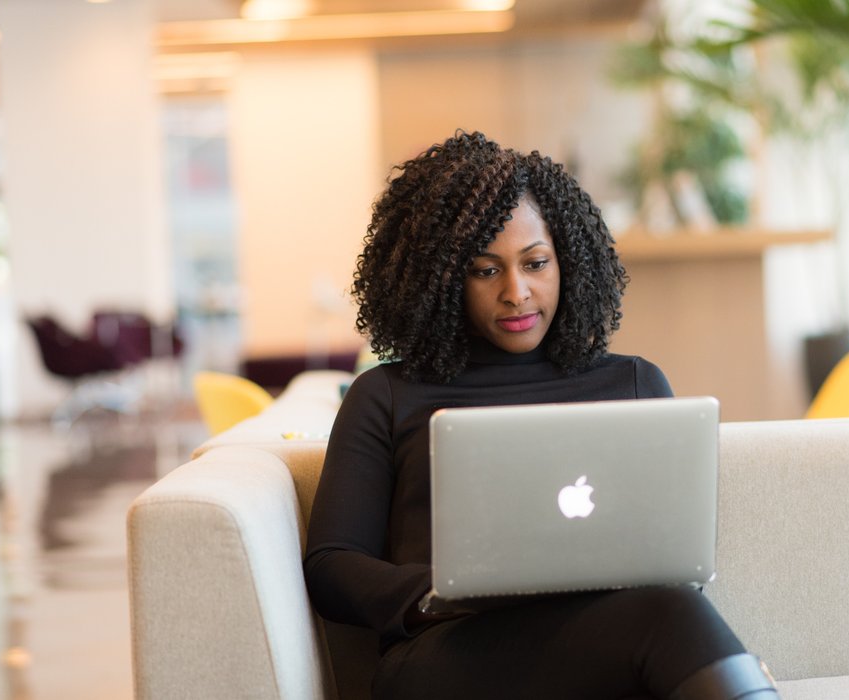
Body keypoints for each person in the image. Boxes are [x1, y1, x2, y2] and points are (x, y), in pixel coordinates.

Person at [304, 131, 780, 700]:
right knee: (669, 619)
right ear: (441, 279)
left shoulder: (633, 383)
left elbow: (668, 549)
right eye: (485, 270)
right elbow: (332, 565)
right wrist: (441, 592)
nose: (516, 292)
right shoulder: (386, 394)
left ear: (568, 262)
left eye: (535, 263)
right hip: (449, 655)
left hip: (605, 642)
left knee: (671, 610)